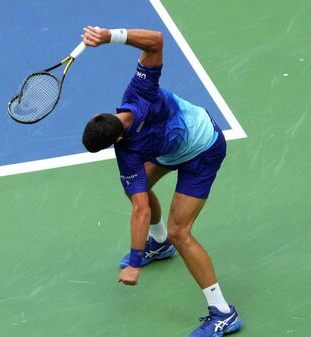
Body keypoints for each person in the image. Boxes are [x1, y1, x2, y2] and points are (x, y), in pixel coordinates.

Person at [80, 26, 242, 337]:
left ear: (115, 139)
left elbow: (141, 210)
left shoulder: (127, 153)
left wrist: (134, 264)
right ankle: (159, 242)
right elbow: (155, 42)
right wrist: (108, 36)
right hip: (169, 147)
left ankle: (223, 312)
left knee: (182, 231)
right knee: (138, 189)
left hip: (204, 148)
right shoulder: (140, 92)